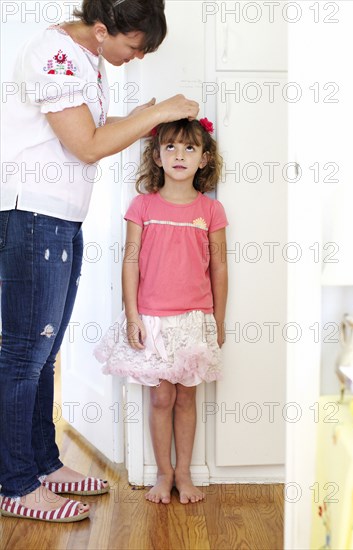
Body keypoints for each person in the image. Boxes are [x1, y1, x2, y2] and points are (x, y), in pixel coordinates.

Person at [0, 0, 199, 523]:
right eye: (133, 47)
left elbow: (92, 126)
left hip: (61, 219)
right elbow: (86, 145)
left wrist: (137, 117)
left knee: (44, 355)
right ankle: (16, 483)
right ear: (104, 28)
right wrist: (152, 115)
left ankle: (44, 463)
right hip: (33, 217)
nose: (134, 59)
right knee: (24, 356)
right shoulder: (53, 53)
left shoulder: (85, 58)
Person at [94, 117, 228, 504]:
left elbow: (219, 267)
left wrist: (217, 320)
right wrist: (132, 315)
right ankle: (162, 473)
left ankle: (184, 473)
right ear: (157, 156)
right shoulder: (142, 206)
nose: (179, 155)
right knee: (161, 398)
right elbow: (130, 261)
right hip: (152, 318)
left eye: (189, 148)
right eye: (170, 147)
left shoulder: (211, 211)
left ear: (204, 159)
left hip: (193, 319)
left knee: (187, 398)